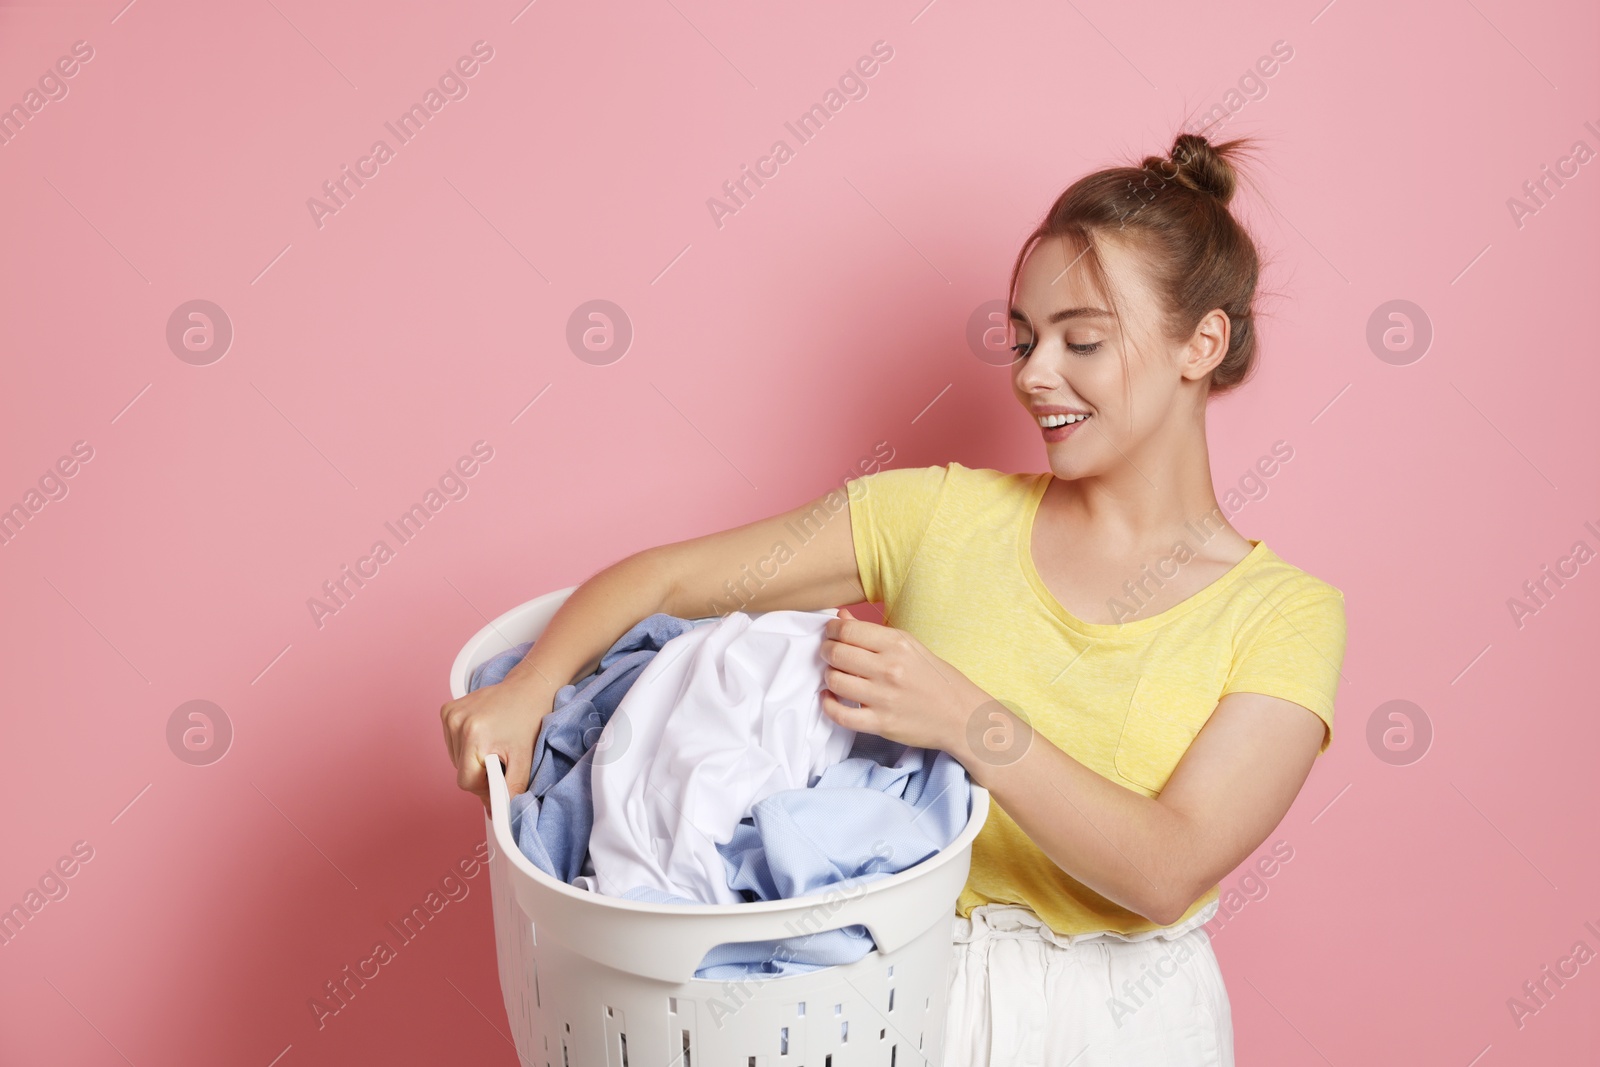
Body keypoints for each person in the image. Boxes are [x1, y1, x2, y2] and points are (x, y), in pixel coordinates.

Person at [440, 129, 1347, 1066]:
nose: (1035, 375)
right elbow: (670, 580)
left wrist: (969, 721)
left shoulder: (1284, 613)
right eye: (1024, 339)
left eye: (1083, 339)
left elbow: (1167, 868)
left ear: (1203, 343)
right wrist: (532, 683)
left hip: (1136, 1020)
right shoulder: (935, 516)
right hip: (906, 997)